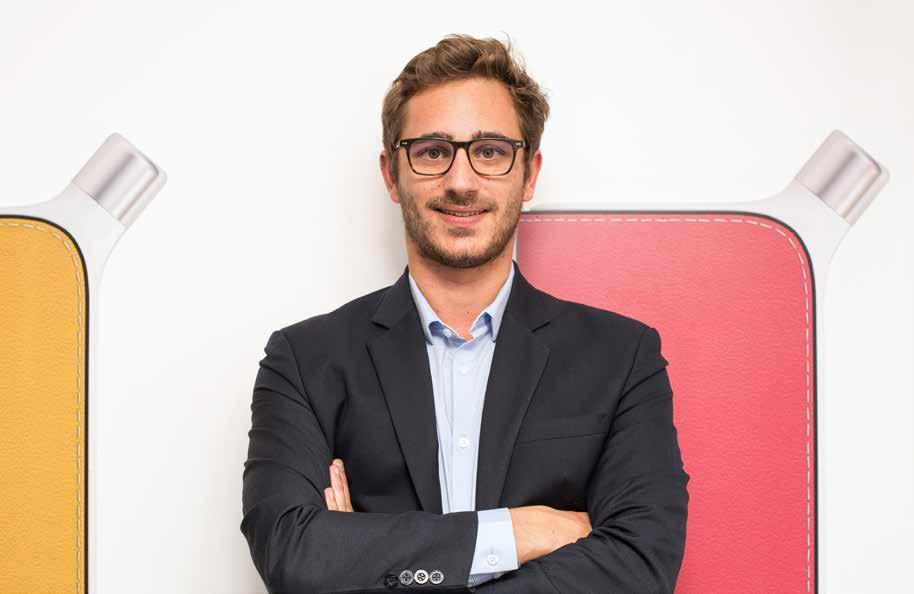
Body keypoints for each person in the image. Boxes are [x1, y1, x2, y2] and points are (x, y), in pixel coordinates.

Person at [240, 34, 689, 593]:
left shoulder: (622, 359)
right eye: (432, 151)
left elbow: (639, 565)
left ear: (529, 175)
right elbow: (293, 553)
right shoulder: (304, 361)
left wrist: (370, 561)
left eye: (491, 152)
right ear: (391, 174)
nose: (460, 181)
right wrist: (515, 533)